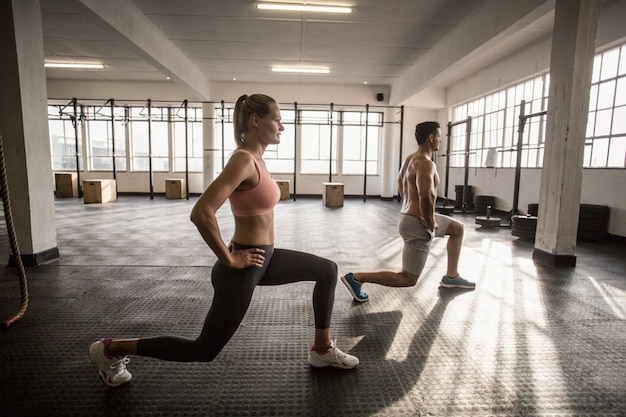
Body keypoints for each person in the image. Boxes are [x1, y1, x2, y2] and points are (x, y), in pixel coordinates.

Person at [89, 93, 358, 387]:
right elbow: (202, 212)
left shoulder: (257, 159)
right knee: (203, 349)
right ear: (256, 121)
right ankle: (110, 349)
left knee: (327, 270)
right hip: (244, 265)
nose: (282, 126)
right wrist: (229, 258)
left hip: (263, 258)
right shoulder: (243, 160)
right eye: (277, 119)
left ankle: (321, 350)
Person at [341, 121, 475, 303]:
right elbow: (426, 196)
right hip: (419, 222)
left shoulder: (410, 159)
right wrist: (428, 220)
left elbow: (400, 183)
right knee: (408, 278)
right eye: (439, 138)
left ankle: (451, 276)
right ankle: (357, 277)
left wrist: (411, 206)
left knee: (457, 229)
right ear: (431, 138)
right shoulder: (426, 164)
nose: (440, 142)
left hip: (411, 216)